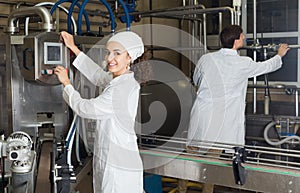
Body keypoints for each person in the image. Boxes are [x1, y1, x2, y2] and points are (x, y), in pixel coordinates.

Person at [181, 25, 290, 193]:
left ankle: (181, 189)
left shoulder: (206, 59)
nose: (245, 38)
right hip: (219, 121)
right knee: (211, 162)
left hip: (201, 115)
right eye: (242, 36)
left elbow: (196, 79)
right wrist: (279, 55)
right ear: (236, 40)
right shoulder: (242, 63)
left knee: (189, 156)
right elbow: (264, 67)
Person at [54, 30, 145, 193]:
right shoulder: (119, 79)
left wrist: (67, 84)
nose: (110, 58)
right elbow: (98, 76)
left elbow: (84, 108)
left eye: (117, 53)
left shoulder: (122, 89)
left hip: (117, 163)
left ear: (129, 57)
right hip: (111, 157)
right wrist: (74, 48)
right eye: (108, 53)